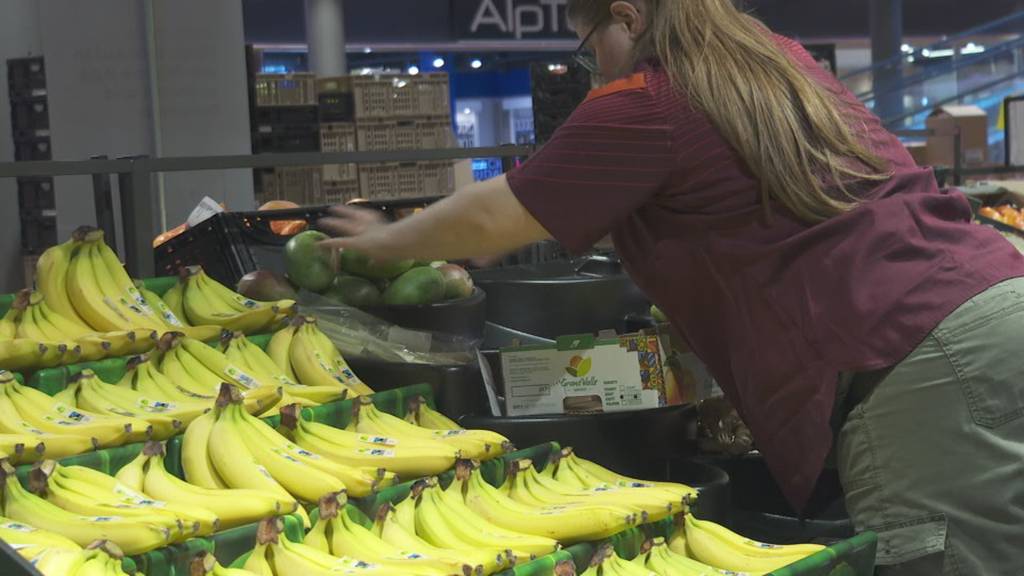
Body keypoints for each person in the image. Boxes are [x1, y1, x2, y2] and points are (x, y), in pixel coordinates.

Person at [319, 1, 1024, 573]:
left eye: (586, 42)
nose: (589, 62)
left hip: (918, 367)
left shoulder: (647, 101)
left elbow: (493, 217)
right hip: (994, 308)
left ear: (627, 20)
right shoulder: (770, 60)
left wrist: (377, 244)